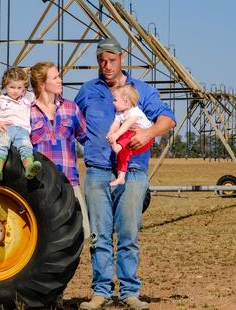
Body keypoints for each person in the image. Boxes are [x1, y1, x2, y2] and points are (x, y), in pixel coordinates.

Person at [75, 37, 176, 310]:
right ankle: (101, 292)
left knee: (129, 233)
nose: (106, 65)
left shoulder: (140, 89)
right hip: (97, 171)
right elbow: (72, 121)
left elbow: (167, 118)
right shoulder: (87, 91)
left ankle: (130, 292)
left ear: (122, 58)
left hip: (132, 172)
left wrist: (148, 133)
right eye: (101, 60)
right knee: (99, 234)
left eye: (111, 60)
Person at [28, 61, 90, 239]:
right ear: (41, 84)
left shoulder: (71, 108)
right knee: (46, 237)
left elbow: (86, 138)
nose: (60, 80)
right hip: (40, 185)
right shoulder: (27, 111)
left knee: (82, 232)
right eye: (55, 77)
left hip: (69, 182)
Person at [0, 67, 41, 180]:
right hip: (6, 128)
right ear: (5, 85)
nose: (15, 90)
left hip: (22, 129)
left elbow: (39, 92)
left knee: (26, 146)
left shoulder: (27, 97)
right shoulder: (0, 100)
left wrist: (28, 73)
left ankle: (29, 167)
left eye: (19, 87)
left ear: (24, 87)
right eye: (12, 87)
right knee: (1, 145)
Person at [106, 84, 154, 187]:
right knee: (123, 155)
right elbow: (115, 124)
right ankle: (121, 177)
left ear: (126, 101)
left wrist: (116, 135)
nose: (113, 102)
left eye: (115, 100)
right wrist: (111, 133)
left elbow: (127, 125)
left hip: (145, 139)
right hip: (132, 139)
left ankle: (118, 147)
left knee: (126, 132)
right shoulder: (120, 113)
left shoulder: (135, 112)